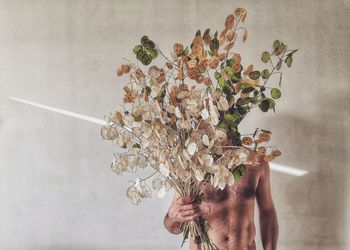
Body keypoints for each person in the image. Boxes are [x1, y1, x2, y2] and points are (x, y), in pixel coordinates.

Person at [164, 150, 278, 250]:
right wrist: (172, 217)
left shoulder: (256, 162)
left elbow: (267, 212)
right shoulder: (192, 163)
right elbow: (173, 227)